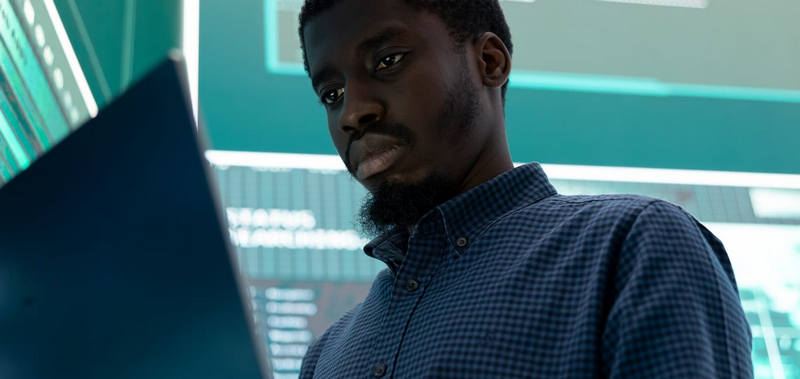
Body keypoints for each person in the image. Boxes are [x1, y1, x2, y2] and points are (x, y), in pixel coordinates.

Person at [296, 0, 753, 377]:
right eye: (331, 95)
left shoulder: (632, 245)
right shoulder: (326, 355)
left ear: (489, 62)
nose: (352, 113)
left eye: (387, 62)